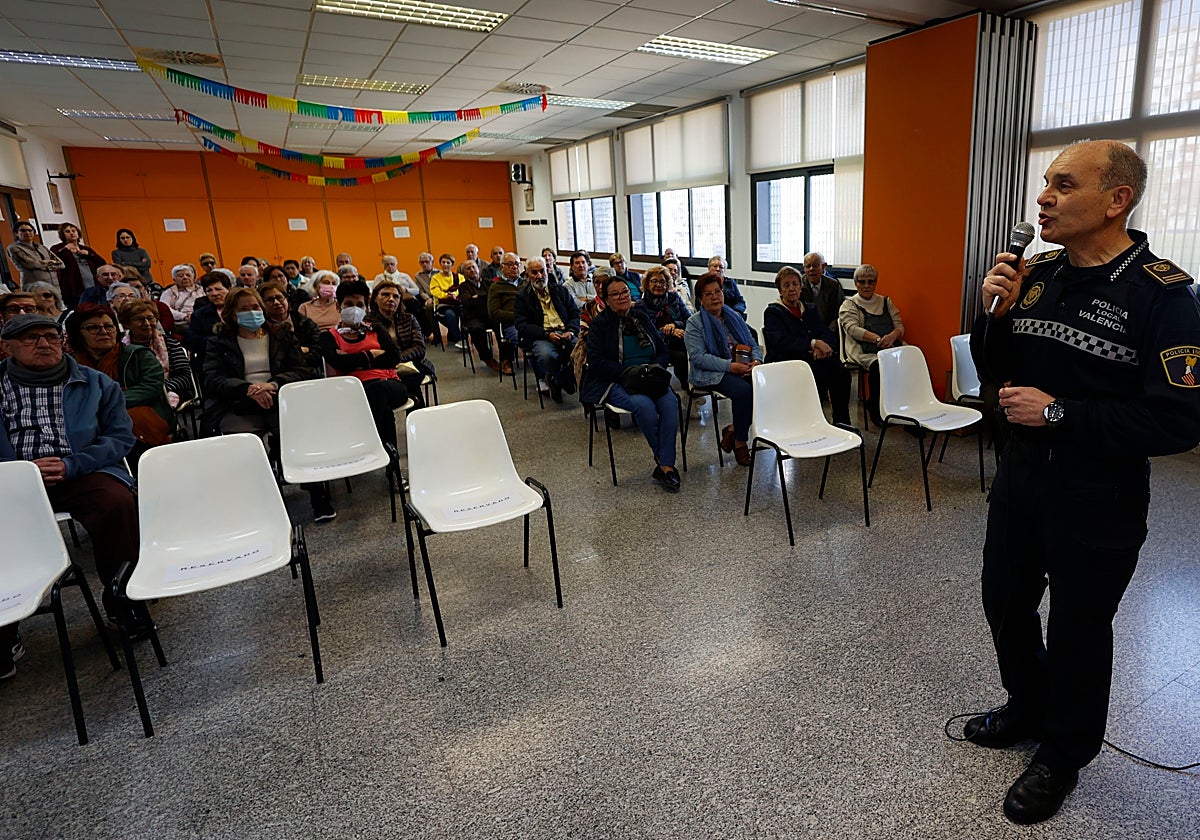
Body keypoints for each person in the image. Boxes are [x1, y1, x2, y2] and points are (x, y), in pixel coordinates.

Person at [967, 139, 1200, 825]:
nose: (1044, 198)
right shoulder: (1035, 272)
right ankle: (1027, 707)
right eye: (1045, 184)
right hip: (1020, 483)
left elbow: (1179, 423)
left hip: (1097, 497)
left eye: (1064, 186)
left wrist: (1061, 413)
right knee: (1005, 603)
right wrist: (995, 315)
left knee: (1077, 628)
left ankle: (1063, 755)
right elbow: (996, 373)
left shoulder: (1164, 296)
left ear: (1116, 200)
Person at [0, 312, 151, 671]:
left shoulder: (97, 384)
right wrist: (16, 471)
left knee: (116, 503)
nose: (43, 344)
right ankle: (6, 624)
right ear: (6, 347)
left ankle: (123, 599)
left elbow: (120, 437)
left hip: (80, 470)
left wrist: (73, 464)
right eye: (30, 338)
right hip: (10, 478)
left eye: (50, 336)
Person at [202, 288, 330, 520]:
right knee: (243, 446)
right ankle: (253, 502)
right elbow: (213, 379)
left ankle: (317, 495)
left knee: (297, 437)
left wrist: (273, 384)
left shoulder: (282, 335)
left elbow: (301, 370)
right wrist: (248, 388)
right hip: (239, 402)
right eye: (244, 309)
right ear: (231, 314)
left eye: (255, 307)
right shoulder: (218, 343)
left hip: (279, 399)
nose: (252, 312)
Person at [583, 275, 680, 492]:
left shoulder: (641, 317)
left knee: (671, 404)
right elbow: (596, 362)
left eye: (625, 292)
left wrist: (656, 368)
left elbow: (663, 350)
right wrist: (627, 372)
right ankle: (666, 464)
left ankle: (664, 464)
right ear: (606, 299)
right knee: (644, 406)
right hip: (618, 379)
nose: (622, 297)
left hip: (649, 376)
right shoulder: (600, 325)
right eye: (615, 294)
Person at [320, 280, 422, 450]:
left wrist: (354, 359)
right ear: (338, 307)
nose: (355, 309)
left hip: (390, 385)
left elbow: (393, 358)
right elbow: (339, 363)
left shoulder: (376, 330)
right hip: (351, 391)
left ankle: (368, 444)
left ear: (366, 308)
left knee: (377, 390)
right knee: (384, 410)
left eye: (360, 304)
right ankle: (389, 455)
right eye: (349, 304)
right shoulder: (328, 337)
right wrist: (371, 354)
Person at [67, 304, 172, 466]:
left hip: (141, 412)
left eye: (109, 326)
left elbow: (150, 388)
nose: (104, 331)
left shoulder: (138, 355)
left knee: (130, 420)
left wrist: (106, 401)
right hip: (89, 417)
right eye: (93, 328)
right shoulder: (71, 365)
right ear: (78, 334)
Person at [684, 271, 762, 466]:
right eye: (708, 294)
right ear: (701, 300)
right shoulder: (694, 323)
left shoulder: (733, 316)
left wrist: (757, 362)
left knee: (763, 386)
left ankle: (734, 429)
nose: (714, 297)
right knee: (743, 390)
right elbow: (699, 358)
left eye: (717, 291)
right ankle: (740, 443)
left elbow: (753, 343)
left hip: (740, 366)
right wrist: (730, 366)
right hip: (710, 372)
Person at [763, 265, 852, 425]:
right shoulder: (773, 312)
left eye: (795, 284)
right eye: (786, 285)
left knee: (842, 373)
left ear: (801, 287)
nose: (792, 289)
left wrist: (824, 346)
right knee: (820, 376)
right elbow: (782, 342)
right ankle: (811, 422)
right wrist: (813, 343)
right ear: (780, 290)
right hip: (789, 360)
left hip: (814, 356)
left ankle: (842, 422)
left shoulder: (809, 308)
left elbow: (824, 331)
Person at [838, 264, 904, 427]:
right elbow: (852, 329)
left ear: (876, 282)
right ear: (856, 283)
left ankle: (906, 411)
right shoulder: (849, 305)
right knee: (879, 366)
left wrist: (891, 336)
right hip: (862, 350)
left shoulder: (886, 302)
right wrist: (877, 339)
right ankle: (875, 407)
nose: (866, 285)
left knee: (913, 361)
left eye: (870, 281)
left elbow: (899, 326)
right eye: (862, 282)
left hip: (889, 346)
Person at [514, 257, 581, 403]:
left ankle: (556, 379)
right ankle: (561, 378)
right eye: (534, 272)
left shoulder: (560, 290)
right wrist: (546, 334)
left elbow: (575, 313)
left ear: (547, 270)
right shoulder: (522, 297)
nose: (539, 276)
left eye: (542, 271)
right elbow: (522, 325)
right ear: (527, 274)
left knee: (583, 351)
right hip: (542, 336)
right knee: (547, 356)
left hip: (565, 332)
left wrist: (571, 330)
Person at [118, 298, 193, 407]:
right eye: (140, 319)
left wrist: (158, 388)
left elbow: (185, 378)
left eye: (150, 318)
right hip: (133, 397)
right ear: (127, 324)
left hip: (168, 393)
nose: (147, 323)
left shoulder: (171, 344)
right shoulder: (121, 349)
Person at [371, 280, 431, 404]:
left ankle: (417, 420)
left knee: (412, 384)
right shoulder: (367, 322)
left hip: (411, 363)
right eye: (385, 295)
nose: (391, 299)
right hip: (381, 367)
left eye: (396, 296)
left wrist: (397, 358)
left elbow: (419, 348)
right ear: (375, 298)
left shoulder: (409, 319)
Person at [635, 264, 692, 388]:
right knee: (680, 356)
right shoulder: (641, 306)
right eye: (654, 281)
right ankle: (677, 386)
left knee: (691, 348)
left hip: (679, 339)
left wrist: (674, 325)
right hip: (656, 344)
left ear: (667, 284)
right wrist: (669, 331)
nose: (658, 285)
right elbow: (647, 332)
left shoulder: (674, 298)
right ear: (647, 284)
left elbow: (689, 320)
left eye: (662, 281)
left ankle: (695, 384)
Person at [261, 280, 322, 373]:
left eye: (279, 297)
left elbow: (317, 352)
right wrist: (299, 351)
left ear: (287, 299)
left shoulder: (305, 323)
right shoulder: (262, 328)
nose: (276, 302)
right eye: (270, 300)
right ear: (262, 304)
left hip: (308, 371)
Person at [457, 259, 500, 372]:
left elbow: (496, 299)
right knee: (476, 329)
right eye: (468, 268)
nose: (472, 270)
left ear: (478, 269)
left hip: (491, 315)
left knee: (502, 325)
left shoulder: (489, 282)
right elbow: (468, 302)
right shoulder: (463, 287)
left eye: (473, 267)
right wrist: (486, 297)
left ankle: (506, 357)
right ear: (464, 273)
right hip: (474, 317)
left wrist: (477, 297)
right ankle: (487, 358)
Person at [50, 222, 105, 308]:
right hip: (73, 288)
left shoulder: (86, 249)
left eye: (73, 231)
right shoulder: (57, 248)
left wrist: (89, 255)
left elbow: (102, 263)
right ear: (62, 234)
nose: (71, 233)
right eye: (67, 231)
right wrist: (65, 250)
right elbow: (54, 262)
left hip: (92, 284)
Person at [488, 253, 525, 375]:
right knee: (519, 336)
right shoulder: (496, 287)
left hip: (529, 321)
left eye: (517, 264)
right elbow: (494, 312)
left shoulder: (525, 284)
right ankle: (506, 361)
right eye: (510, 264)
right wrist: (516, 316)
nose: (514, 267)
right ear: (502, 267)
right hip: (510, 323)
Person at [7, 221, 65, 289]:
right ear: (16, 233)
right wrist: (52, 263)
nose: (27, 233)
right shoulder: (14, 248)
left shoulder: (42, 247)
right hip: (33, 287)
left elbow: (61, 264)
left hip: (53, 286)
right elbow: (32, 264)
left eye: (30, 230)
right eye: (23, 230)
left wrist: (43, 264)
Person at [801, 251, 845, 333]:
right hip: (804, 332)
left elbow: (839, 312)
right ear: (804, 268)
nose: (811, 269)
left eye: (815, 265)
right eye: (808, 266)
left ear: (824, 266)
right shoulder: (798, 285)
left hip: (828, 330)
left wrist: (828, 333)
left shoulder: (833, 285)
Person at [430, 253, 466, 348]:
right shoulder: (435, 278)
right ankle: (458, 338)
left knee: (464, 313)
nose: (445, 264)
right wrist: (447, 295)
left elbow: (462, 288)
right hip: (444, 304)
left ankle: (464, 336)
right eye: (443, 262)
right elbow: (435, 291)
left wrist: (454, 295)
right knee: (450, 315)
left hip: (457, 302)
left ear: (452, 265)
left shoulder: (459, 277)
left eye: (448, 262)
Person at [160, 264, 204, 328]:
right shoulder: (168, 293)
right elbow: (164, 309)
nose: (185, 277)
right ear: (174, 280)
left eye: (188, 275)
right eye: (180, 276)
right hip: (183, 323)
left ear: (194, 277)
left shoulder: (203, 290)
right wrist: (183, 316)